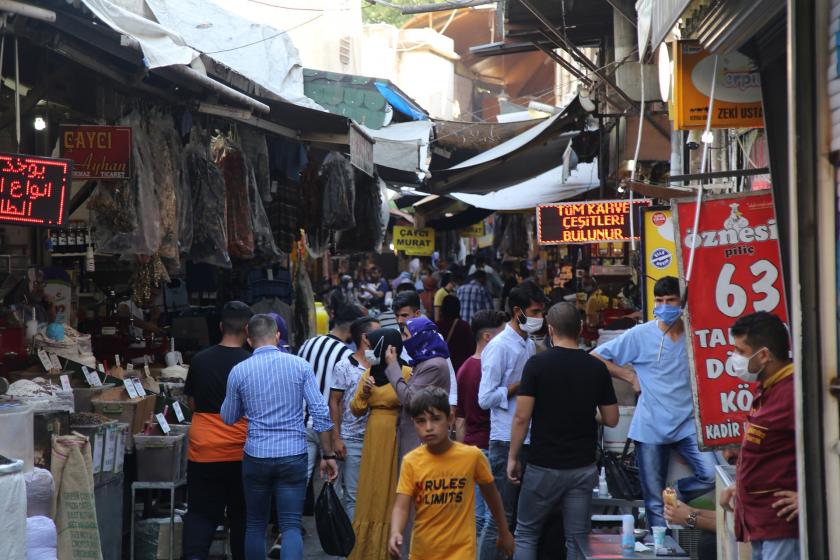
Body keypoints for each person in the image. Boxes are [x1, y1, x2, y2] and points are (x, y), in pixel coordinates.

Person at [592, 276, 717, 530]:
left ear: (682, 302)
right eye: (659, 300)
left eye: (671, 300)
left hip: (688, 423)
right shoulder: (640, 334)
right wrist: (629, 375)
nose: (665, 305)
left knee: (713, 475)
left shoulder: (697, 335)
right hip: (650, 427)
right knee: (652, 504)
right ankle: (660, 549)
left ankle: (672, 495)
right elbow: (595, 357)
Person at [220, 314, 338, 560]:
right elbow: (321, 413)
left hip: (256, 455)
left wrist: (248, 405)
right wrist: (328, 454)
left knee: (255, 524)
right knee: (291, 525)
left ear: (249, 340)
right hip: (293, 454)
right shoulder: (300, 366)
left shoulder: (239, 371)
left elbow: (229, 417)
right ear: (277, 336)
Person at [507, 302, 619, 560]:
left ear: (550, 329)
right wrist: (586, 410)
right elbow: (612, 419)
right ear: (580, 328)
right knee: (577, 537)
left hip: (543, 465)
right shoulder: (596, 368)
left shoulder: (536, 365)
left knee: (526, 532)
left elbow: (522, 417)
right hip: (582, 468)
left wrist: (513, 457)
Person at [388, 387, 515, 560]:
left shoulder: (472, 457)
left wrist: (503, 530)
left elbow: (492, 496)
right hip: (422, 552)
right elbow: (401, 506)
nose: (429, 427)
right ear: (413, 423)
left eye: (436, 419)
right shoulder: (411, 461)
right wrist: (396, 532)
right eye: (421, 421)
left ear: (450, 419)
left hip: (460, 552)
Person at [719, 312, 799, 559]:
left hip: (782, 525)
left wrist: (806, 496)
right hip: (759, 522)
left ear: (763, 355)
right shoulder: (767, 388)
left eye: (740, 351)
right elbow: (770, 453)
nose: (735, 358)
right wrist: (738, 487)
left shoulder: (794, 393)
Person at [477, 280, 546, 560]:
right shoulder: (500, 347)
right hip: (505, 441)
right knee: (499, 518)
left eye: (542, 312)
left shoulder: (527, 344)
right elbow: (485, 398)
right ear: (518, 311)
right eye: (535, 311)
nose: (539, 317)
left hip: (526, 438)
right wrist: (519, 386)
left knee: (516, 519)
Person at [182, 301, 253, 560]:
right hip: (241, 450)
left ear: (221, 326)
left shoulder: (200, 360)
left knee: (200, 512)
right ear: (248, 329)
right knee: (242, 515)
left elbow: (192, 402)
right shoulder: (251, 363)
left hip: (204, 449)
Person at [348, 328, 412, 560]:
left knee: (393, 487)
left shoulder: (405, 372)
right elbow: (356, 410)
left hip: (397, 435)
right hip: (374, 437)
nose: (370, 351)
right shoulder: (369, 374)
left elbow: (410, 401)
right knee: (372, 489)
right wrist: (364, 393)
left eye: (374, 346)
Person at [297, 304, 367, 482]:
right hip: (328, 429)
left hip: (301, 423)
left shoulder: (308, 343)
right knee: (328, 484)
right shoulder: (347, 356)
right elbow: (343, 400)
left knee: (300, 482)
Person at [456, 309, 508, 539]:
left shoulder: (465, 367)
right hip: (490, 445)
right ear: (488, 336)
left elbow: (460, 417)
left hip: (470, 445)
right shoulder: (490, 369)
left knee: (477, 513)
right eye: (502, 333)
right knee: (492, 514)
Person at [328, 316, 380, 520]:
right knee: (353, 496)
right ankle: (353, 548)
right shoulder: (344, 366)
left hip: (378, 438)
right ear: (366, 338)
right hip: (352, 440)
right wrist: (336, 438)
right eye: (378, 332)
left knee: (375, 494)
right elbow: (334, 402)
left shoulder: (382, 364)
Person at [384, 316, 452, 460]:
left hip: (422, 438)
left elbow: (410, 399)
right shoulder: (424, 361)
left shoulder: (433, 365)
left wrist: (393, 366)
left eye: (407, 335)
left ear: (420, 337)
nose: (404, 340)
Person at [389, 290, 459, 410]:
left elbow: (449, 372)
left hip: (428, 405)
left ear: (417, 314)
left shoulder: (433, 337)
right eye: (396, 315)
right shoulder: (393, 338)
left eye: (404, 315)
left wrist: (452, 404)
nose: (399, 320)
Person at [435, 294, 475, 372]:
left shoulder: (437, 326)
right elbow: (470, 348)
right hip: (460, 368)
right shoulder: (464, 326)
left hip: (442, 368)